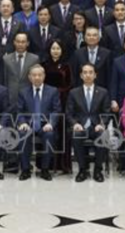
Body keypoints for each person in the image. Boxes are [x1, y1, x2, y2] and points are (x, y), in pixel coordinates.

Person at [17, 65, 61, 180]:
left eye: (39, 75)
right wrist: (22, 123)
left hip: (45, 125)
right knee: (22, 134)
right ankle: (25, 169)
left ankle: (45, 169)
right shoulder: (23, 92)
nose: (37, 77)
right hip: (29, 124)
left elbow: (56, 110)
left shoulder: (53, 91)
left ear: (44, 76)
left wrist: (51, 123)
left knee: (50, 135)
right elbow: (19, 111)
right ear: (29, 77)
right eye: (34, 75)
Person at [67, 63, 111, 182]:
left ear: (95, 75)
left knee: (103, 136)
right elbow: (69, 113)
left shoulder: (103, 92)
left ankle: (98, 170)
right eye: (85, 73)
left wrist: (102, 124)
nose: (88, 75)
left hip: (96, 126)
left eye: (90, 72)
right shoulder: (73, 92)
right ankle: (82, 170)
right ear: (81, 75)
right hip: (80, 126)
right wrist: (75, 123)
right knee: (75, 136)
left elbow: (107, 112)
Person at [41, 39, 72, 173]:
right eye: (53, 48)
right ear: (49, 49)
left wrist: (58, 92)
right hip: (46, 103)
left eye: (58, 48)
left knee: (62, 133)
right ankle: (48, 164)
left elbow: (70, 84)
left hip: (63, 102)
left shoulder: (66, 66)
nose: (55, 51)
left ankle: (63, 165)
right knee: (49, 131)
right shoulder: (43, 65)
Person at [2, 32, 40, 103]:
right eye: (18, 42)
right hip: (10, 97)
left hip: (28, 97)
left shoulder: (34, 59)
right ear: (14, 42)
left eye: (23, 42)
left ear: (27, 43)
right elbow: (4, 80)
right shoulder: (6, 59)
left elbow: (35, 80)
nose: (20, 44)